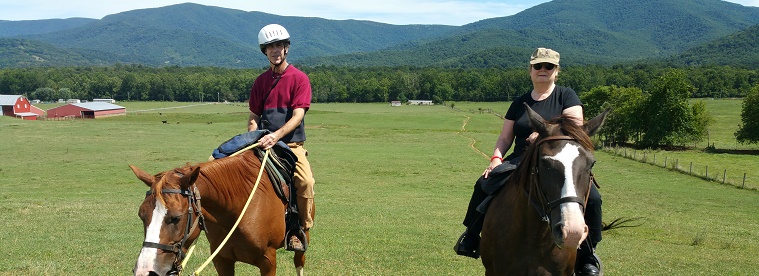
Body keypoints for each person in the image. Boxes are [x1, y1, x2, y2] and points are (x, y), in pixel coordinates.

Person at [453, 48, 603, 276]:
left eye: (549, 66)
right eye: (538, 66)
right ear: (530, 70)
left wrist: (543, 135)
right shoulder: (519, 102)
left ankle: (587, 255)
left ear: (556, 71)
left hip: (558, 158)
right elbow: (505, 137)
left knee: (593, 198)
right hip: (521, 159)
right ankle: (472, 236)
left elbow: (574, 129)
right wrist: (495, 158)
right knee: (484, 183)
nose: (543, 70)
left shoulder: (566, 96)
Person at [248, 23, 315, 252]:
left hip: (290, 145)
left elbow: (297, 116)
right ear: (264, 51)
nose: (275, 50)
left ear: (286, 48)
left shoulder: (299, 79)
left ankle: (300, 229)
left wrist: (276, 136)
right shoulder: (260, 82)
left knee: (305, 182)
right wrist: (252, 137)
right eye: (270, 47)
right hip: (263, 142)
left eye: (279, 46)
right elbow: (253, 116)